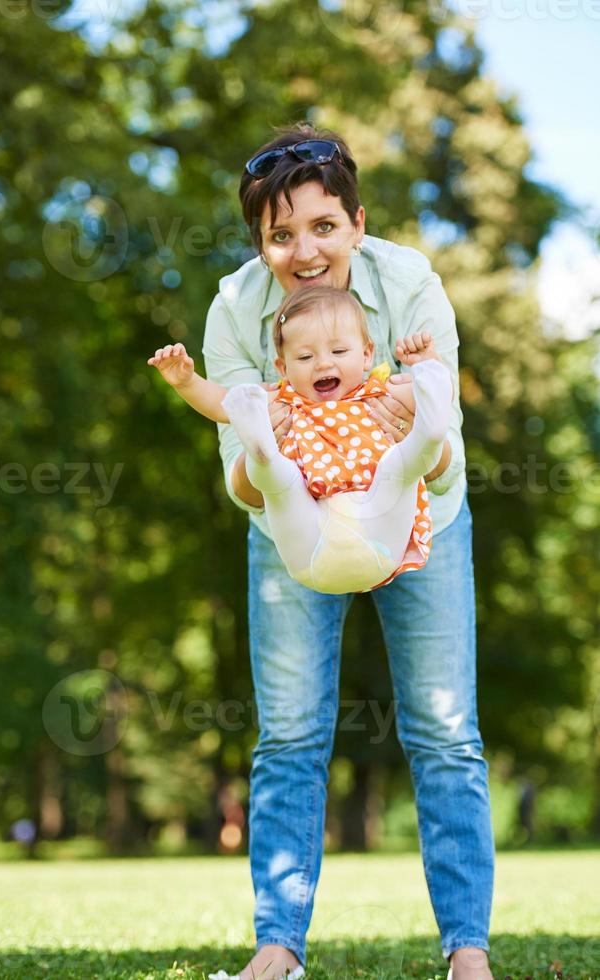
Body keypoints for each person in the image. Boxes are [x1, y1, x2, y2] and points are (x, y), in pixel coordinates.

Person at [200, 122, 495, 980]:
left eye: (323, 226)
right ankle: (277, 948)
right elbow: (240, 483)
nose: (304, 250)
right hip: (295, 536)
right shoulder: (234, 309)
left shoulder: (409, 284)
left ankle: (467, 952)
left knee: (445, 732)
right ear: (261, 242)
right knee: (290, 735)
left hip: (420, 519)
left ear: (357, 224)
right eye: (280, 234)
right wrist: (264, 449)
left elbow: (443, 458)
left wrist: (420, 430)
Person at [148, 285, 453, 595]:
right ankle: (263, 456)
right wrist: (187, 382)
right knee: (284, 480)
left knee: (397, 466)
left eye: (338, 351)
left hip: (381, 532)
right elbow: (223, 404)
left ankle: (427, 438)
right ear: (283, 368)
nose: (323, 363)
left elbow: (440, 396)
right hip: (310, 539)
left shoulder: (377, 393)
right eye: (305, 356)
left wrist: (430, 366)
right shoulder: (284, 401)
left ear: (366, 355)